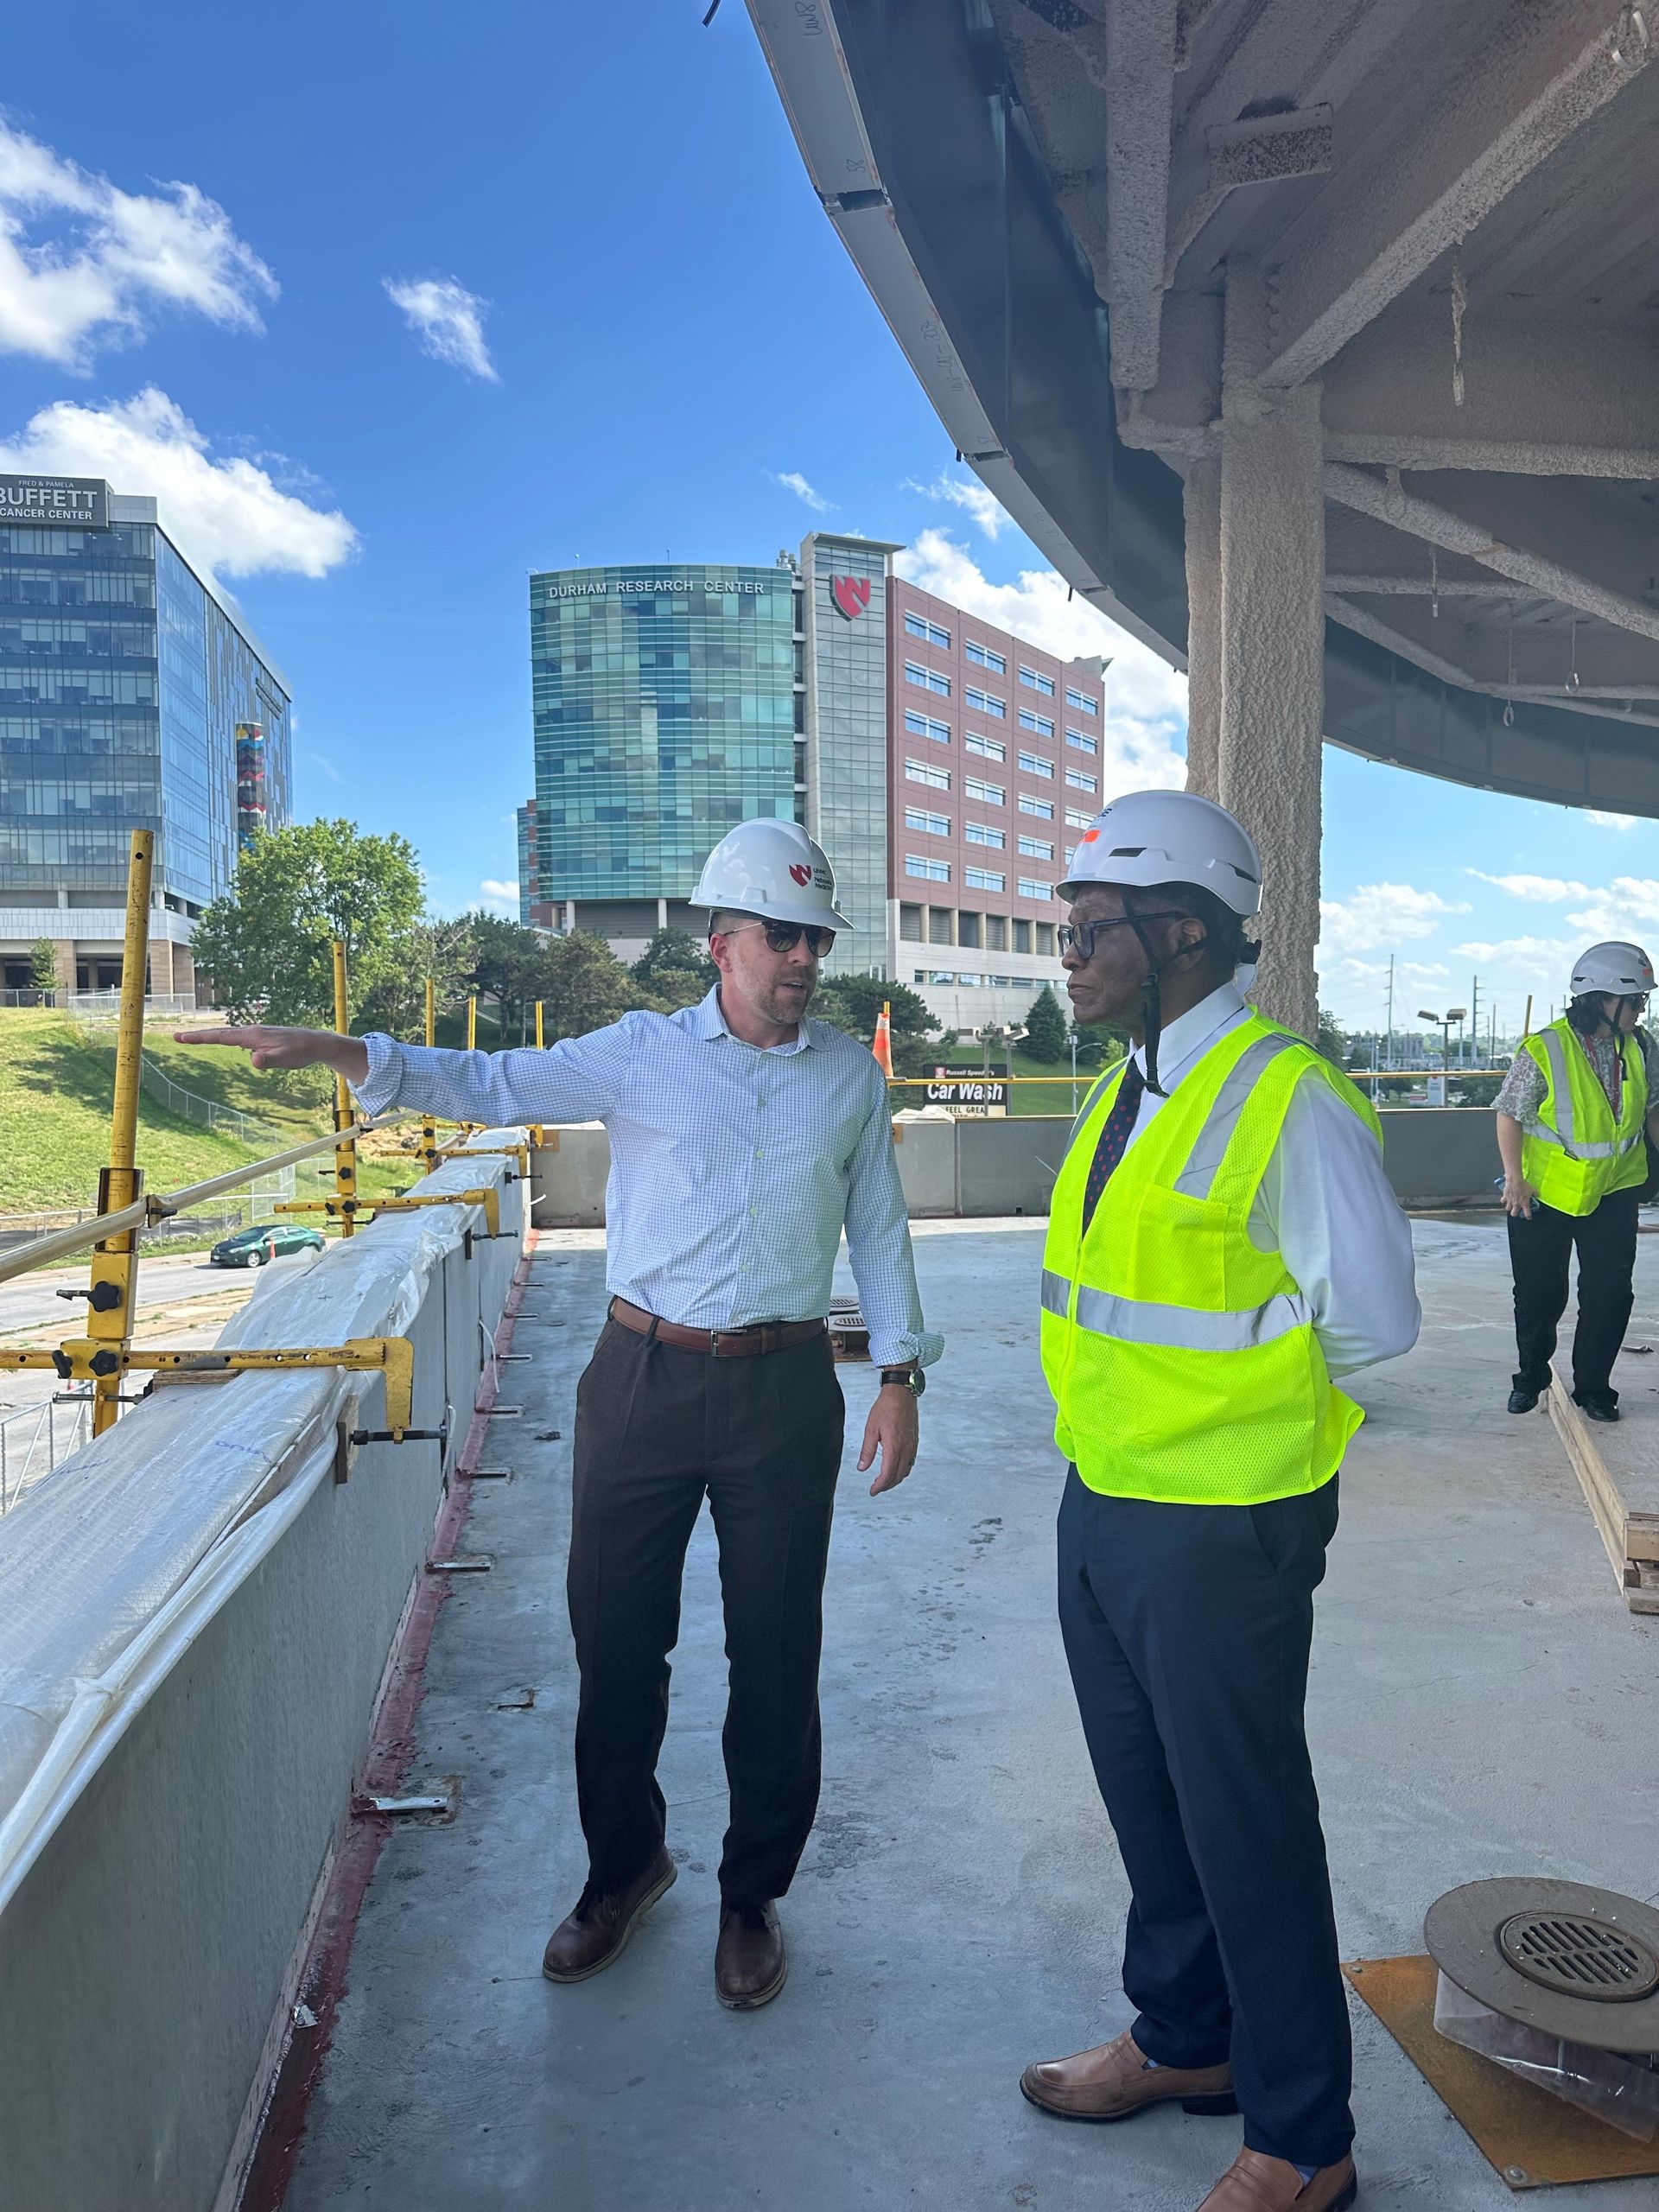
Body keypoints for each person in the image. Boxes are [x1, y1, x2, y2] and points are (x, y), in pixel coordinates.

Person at [176, 817, 941, 2012]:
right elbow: (489, 1081)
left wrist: (898, 1373)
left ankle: (752, 1895)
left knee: (777, 1652)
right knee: (617, 1640)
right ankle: (625, 1870)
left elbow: (880, 1232)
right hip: (639, 1380)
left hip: (786, 1390)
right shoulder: (639, 1054)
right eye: (781, 936)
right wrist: (344, 1050)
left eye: (815, 940)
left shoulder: (849, 1077)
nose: (802, 960)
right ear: (720, 940)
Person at [1019, 791, 1419, 2212]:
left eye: (1090, 928)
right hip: (1106, 1505)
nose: (1064, 951)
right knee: (1150, 1807)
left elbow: (1375, 1326)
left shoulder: (1283, 1096)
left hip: (1221, 1531)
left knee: (1244, 1824)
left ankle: (1303, 2139)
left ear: (1180, 930)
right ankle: (1188, 2041)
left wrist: (1251, 1428)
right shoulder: (1134, 1084)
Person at [1493, 942, 1659, 1423]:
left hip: (1614, 1190)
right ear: (1601, 1000)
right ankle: (1530, 1377)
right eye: (1636, 1001)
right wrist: (1515, 1179)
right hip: (1544, 1195)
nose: (1641, 1010)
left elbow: (1650, 1110)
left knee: (1609, 1292)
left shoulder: (1643, 1046)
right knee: (1540, 1293)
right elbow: (1510, 1114)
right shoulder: (1545, 1048)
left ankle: (1594, 1388)